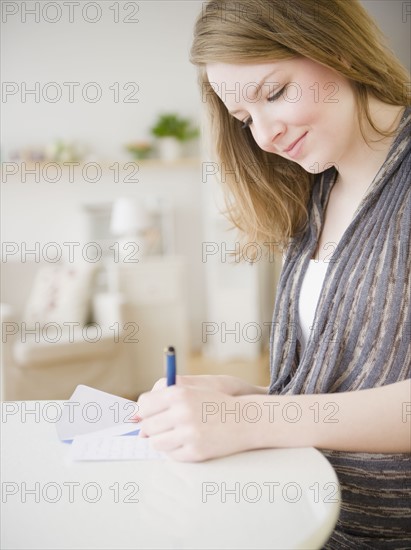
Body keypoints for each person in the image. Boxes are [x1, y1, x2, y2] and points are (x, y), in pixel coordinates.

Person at [136, 1, 410, 547]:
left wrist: (252, 418)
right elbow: (357, 388)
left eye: (274, 93)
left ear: (336, 47)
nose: (264, 136)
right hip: (304, 511)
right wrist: (245, 396)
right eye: (245, 118)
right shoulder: (318, 192)